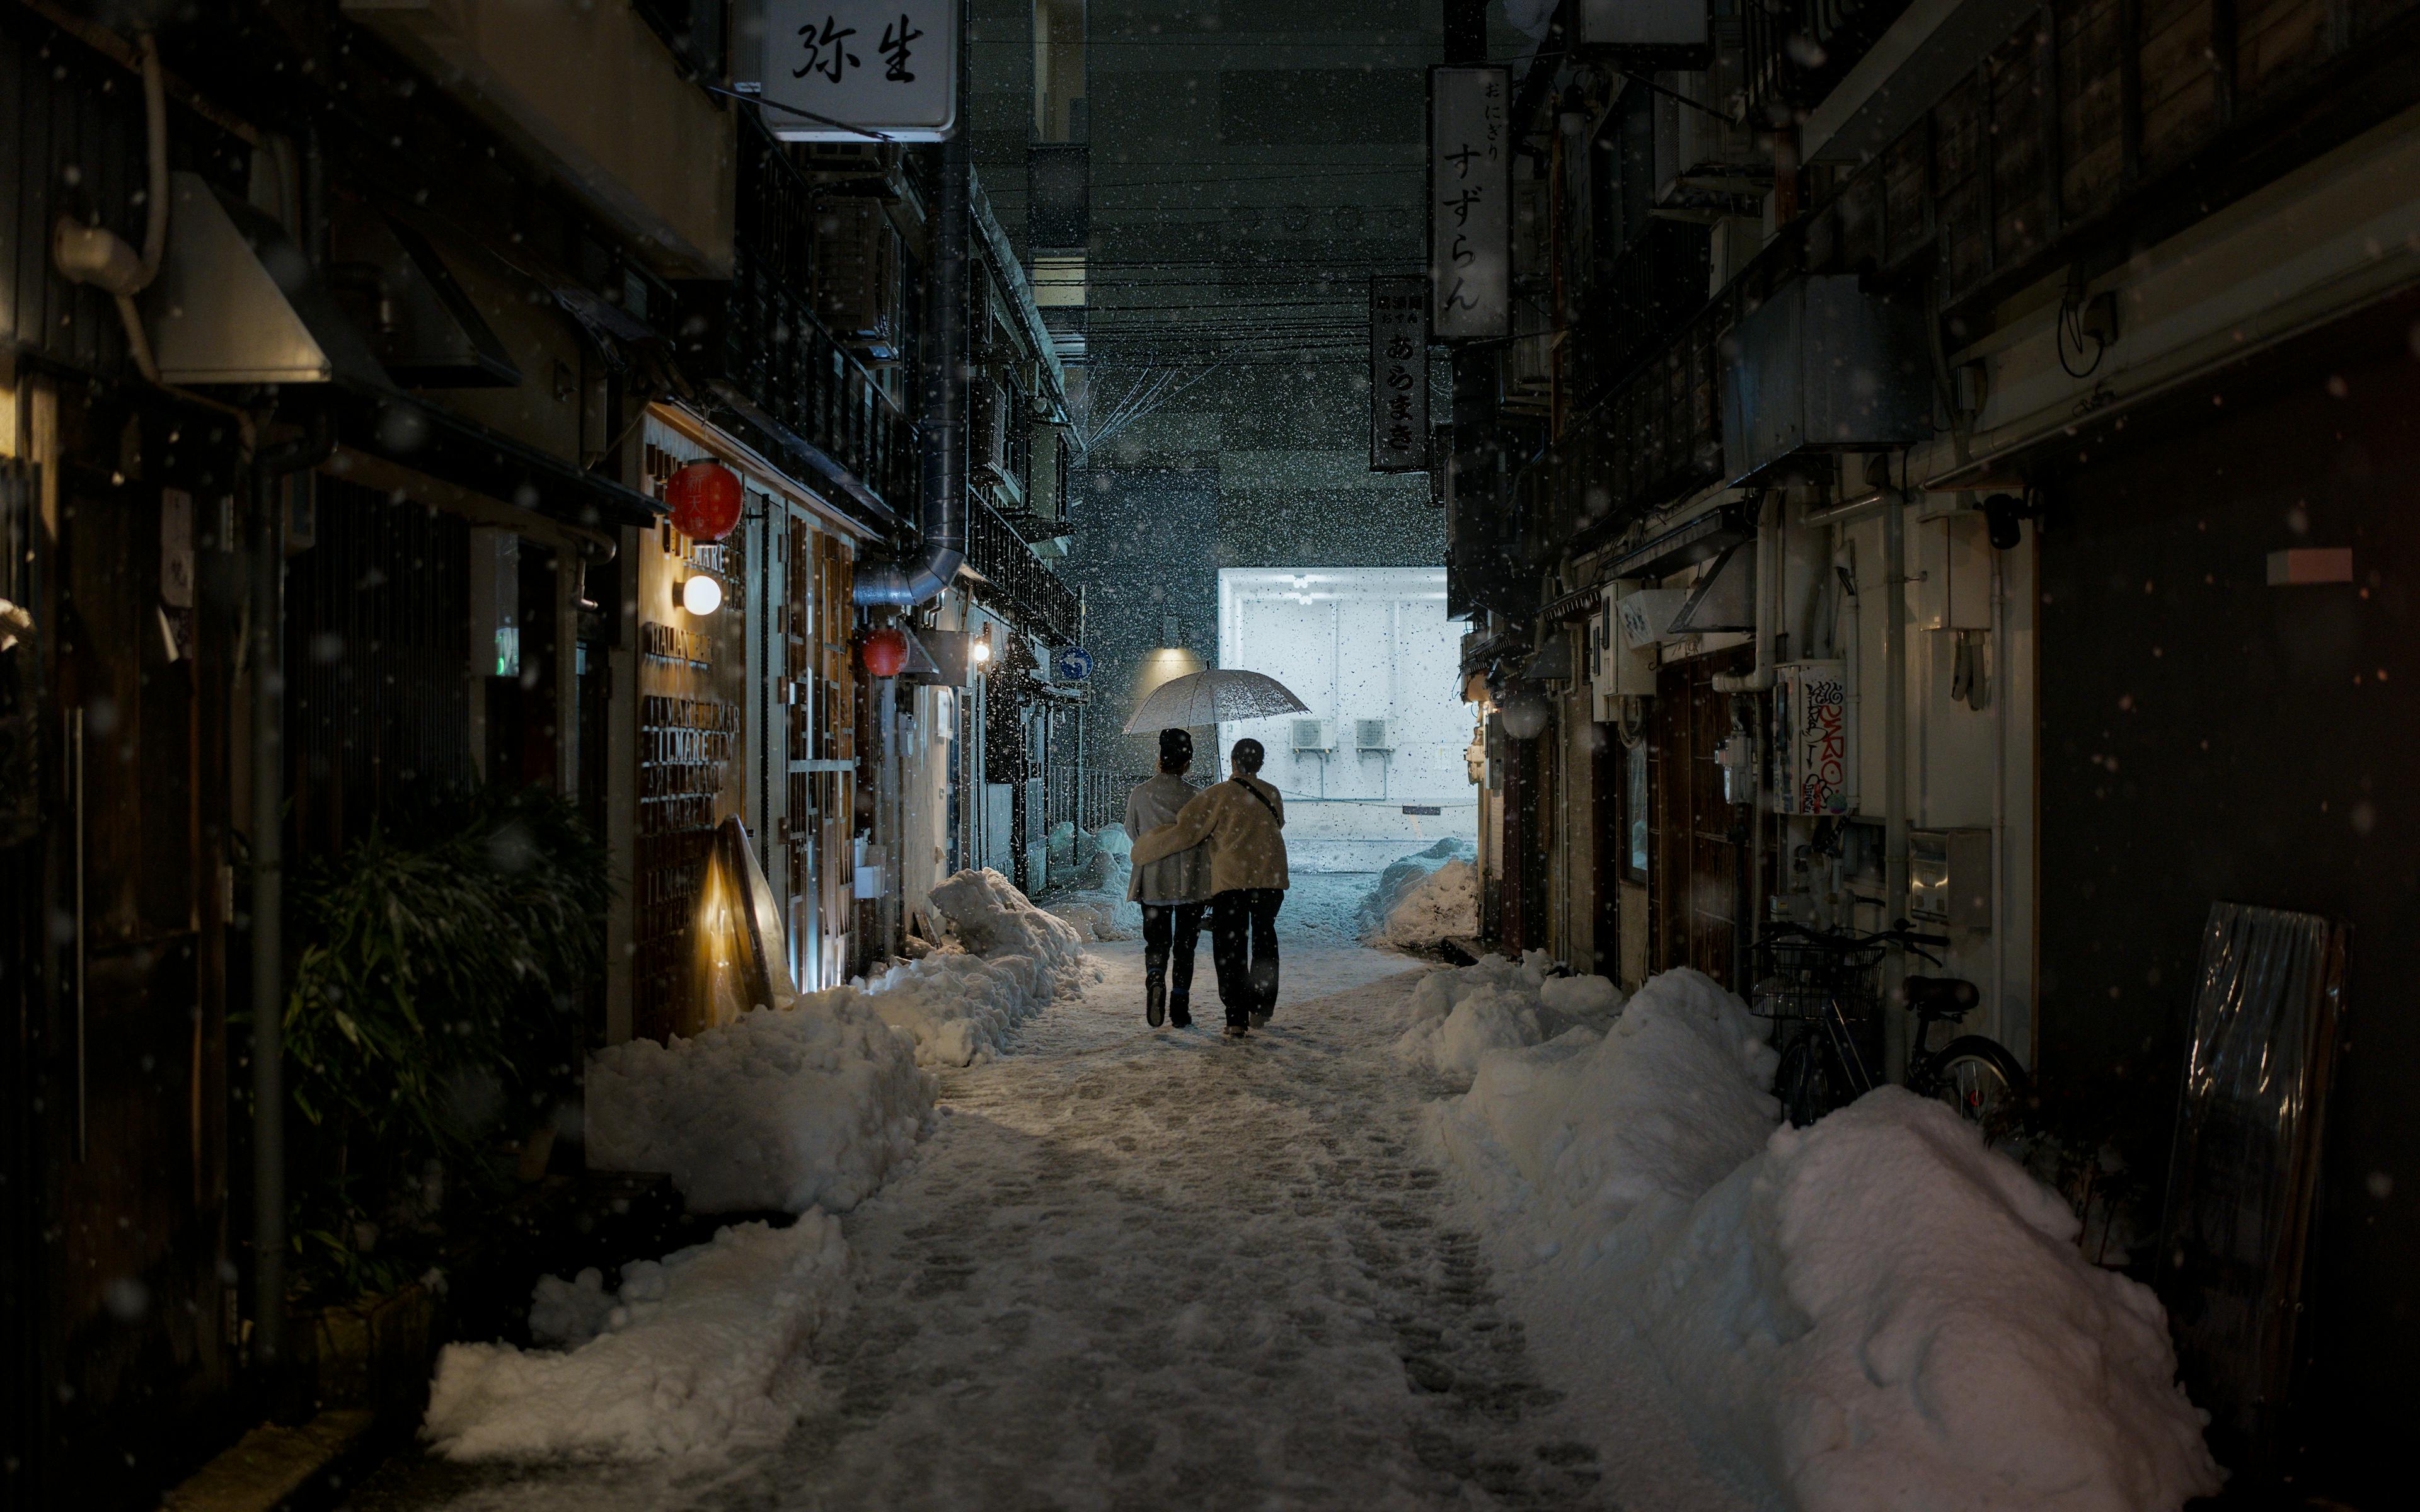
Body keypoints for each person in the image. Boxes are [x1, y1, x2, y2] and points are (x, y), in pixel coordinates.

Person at [1131, 738, 1288, 1038]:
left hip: (1232, 881)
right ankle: (1261, 1006)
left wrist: (1145, 848)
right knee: (1265, 941)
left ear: (1232, 761)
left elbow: (1186, 831)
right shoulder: (1272, 792)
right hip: (1271, 877)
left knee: (1231, 947)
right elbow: (1277, 823)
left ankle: (1236, 1017)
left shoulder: (1218, 795)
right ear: (1261, 763)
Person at [1124, 729, 1211, 1028]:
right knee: (1186, 944)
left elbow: (1134, 833)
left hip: (1153, 880)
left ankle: (1155, 977)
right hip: (1190, 881)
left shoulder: (1140, 794)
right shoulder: (1197, 797)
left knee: (1156, 941)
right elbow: (1204, 837)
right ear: (1188, 762)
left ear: (1160, 758)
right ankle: (1180, 1006)